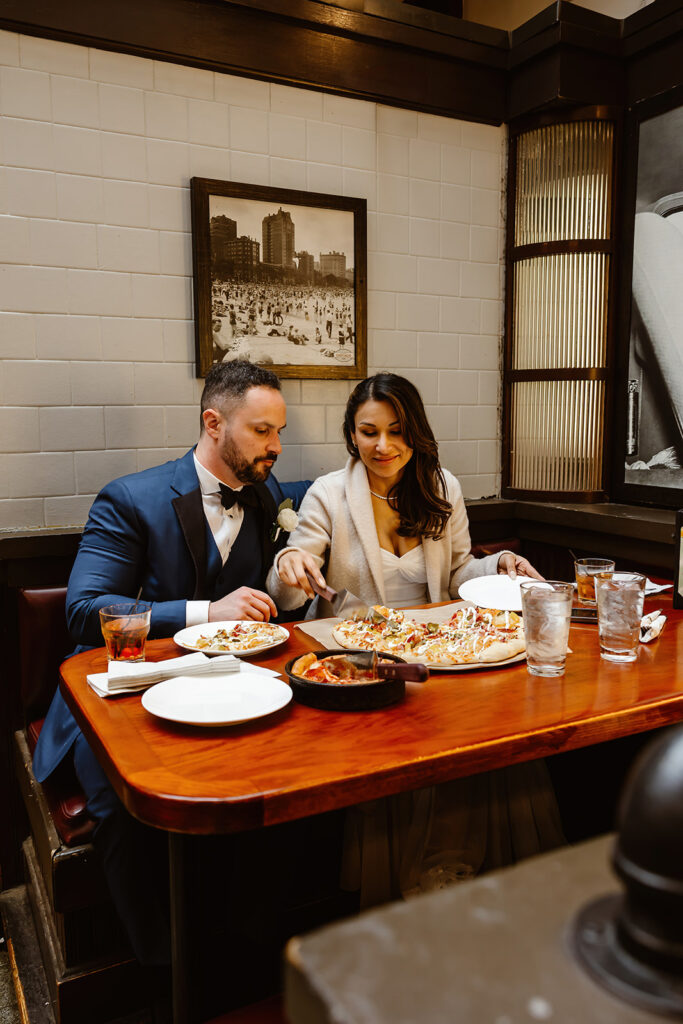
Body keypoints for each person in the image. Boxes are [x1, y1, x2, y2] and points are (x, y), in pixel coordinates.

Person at [33, 360, 310, 971]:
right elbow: (84, 612)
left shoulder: (266, 496)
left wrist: (289, 574)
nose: (277, 447)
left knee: (293, 778)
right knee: (127, 808)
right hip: (119, 691)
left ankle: (251, 953)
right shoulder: (130, 499)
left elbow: (267, 602)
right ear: (214, 423)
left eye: (279, 431)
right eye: (263, 432)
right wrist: (204, 610)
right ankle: (165, 973)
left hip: (229, 690)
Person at [267, 373, 564, 906]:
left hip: (438, 653)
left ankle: (483, 889)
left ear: (416, 430)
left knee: (485, 737)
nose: (383, 445)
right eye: (368, 431)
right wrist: (290, 563)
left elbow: (457, 577)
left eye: (397, 430)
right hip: (367, 663)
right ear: (351, 435)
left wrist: (497, 564)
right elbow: (291, 591)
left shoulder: (441, 486)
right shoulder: (329, 495)